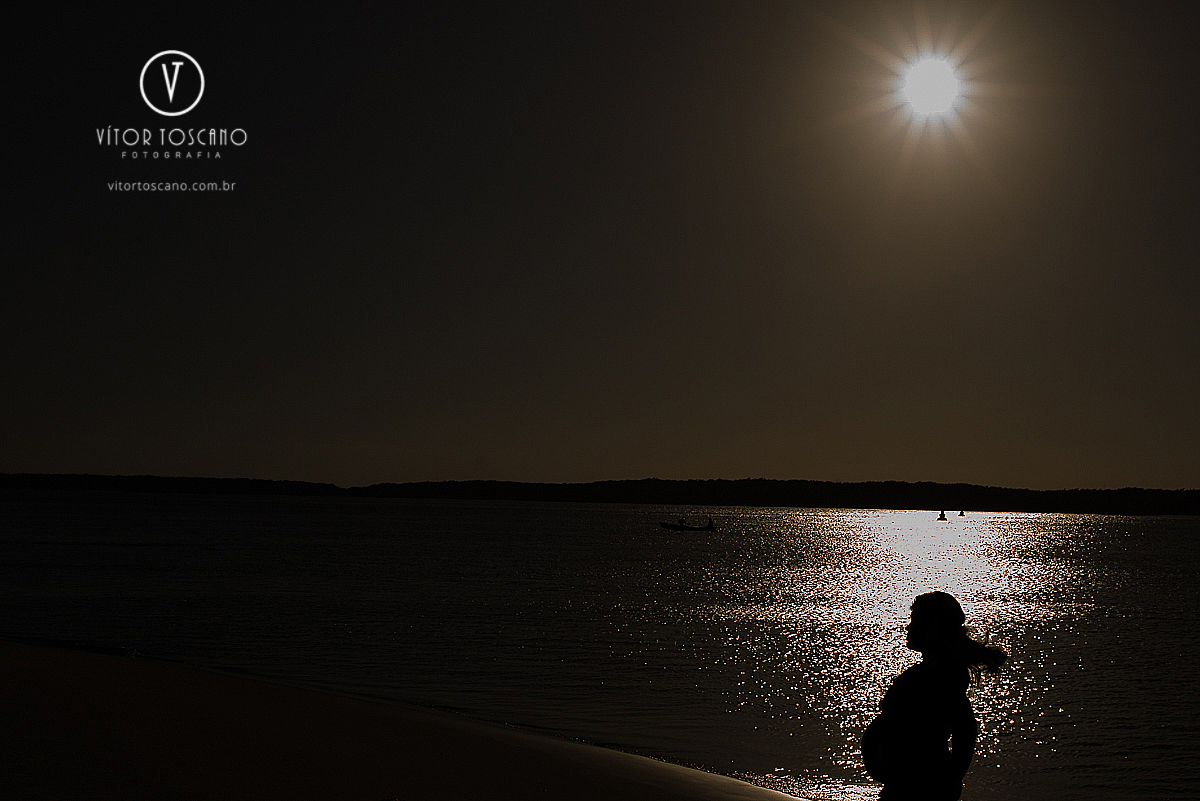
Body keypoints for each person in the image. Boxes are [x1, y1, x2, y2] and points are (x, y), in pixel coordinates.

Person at [861, 592, 1007, 801]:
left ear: (933, 628)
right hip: (905, 785)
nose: (908, 628)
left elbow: (965, 734)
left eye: (916, 622)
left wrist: (947, 779)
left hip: (918, 789)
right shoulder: (931, 675)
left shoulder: (943, 680)